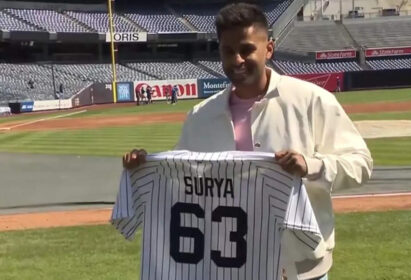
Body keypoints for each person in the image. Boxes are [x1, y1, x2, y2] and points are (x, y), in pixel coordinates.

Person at [123, 3, 372, 280]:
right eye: (228, 51)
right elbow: (183, 184)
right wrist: (145, 168)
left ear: (269, 49)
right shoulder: (200, 117)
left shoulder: (311, 101)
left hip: (300, 270)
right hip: (227, 268)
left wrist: (311, 166)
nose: (237, 59)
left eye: (246, 49)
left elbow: (360, 164)